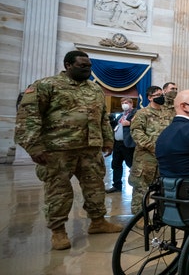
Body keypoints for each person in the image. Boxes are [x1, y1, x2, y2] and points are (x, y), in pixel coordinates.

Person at [14, 50, 122, 250]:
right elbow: (28, 116)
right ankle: (58, 231)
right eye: (83, 66)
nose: (87, 69)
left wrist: (108, 140)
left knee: (95, 187)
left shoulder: (95, 89)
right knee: (59, 191)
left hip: (90, 149)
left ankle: (98, 222)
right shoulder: (46, 85)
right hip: (58, 150)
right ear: (68, 65)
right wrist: (34, 145)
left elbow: (103, 118)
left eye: (89, 66)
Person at [129, 86, 172, 215]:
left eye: (162, 94)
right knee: (141, 188)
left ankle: (161, 214)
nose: (161, 97)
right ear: (149, 97)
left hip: (163, 159)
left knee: (162, 188)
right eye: (157, 95)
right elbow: (136, 133)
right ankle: (139, 216)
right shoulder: (142, 113)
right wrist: (153, 147)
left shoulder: (168, 113)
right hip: (145, 158)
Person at [106, 97, 136, 193]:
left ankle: (136, 186)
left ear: (131, 104)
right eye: (122, 102)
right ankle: (117, 185)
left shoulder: (136, 114)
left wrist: (130, 123)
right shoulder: (120, 116)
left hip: (128, 144)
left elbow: (140, 124)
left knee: (132, 165)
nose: (124, 104)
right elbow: (116, 127)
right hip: (117, 144)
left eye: (126, 102)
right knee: (116, 164)